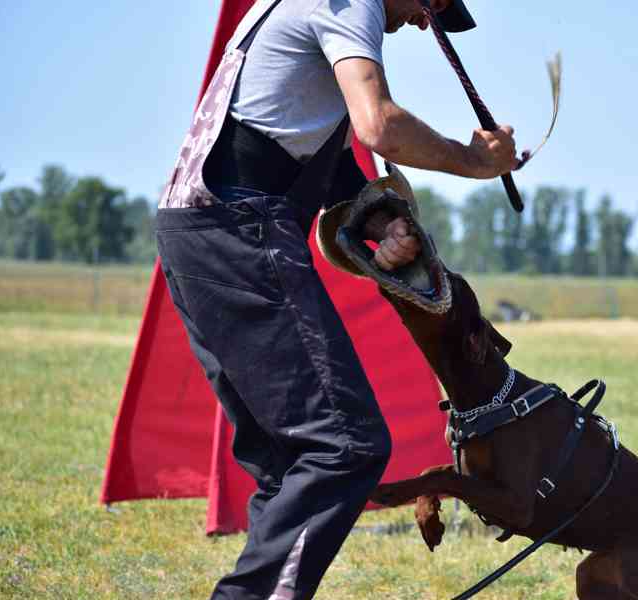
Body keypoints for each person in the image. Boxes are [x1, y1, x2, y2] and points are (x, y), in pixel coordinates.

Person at [154, 1, 518, 598]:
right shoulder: (351, 2)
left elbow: (294, 150)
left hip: (201, 232)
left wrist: (381, 222)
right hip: (240, 229)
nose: (427, 22)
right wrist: (475, 161)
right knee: (344, 446)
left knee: (288, 463)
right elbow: (378, 126)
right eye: (433, 4)